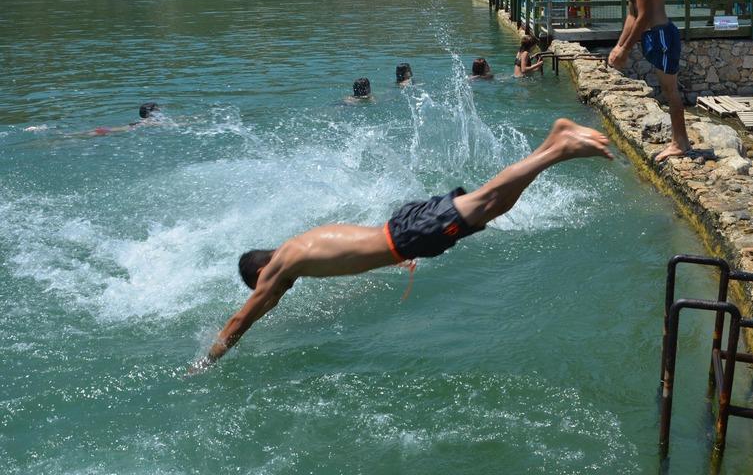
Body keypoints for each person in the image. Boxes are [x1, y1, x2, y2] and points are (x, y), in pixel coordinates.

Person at [190, 119, 613, 372]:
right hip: (405, 229)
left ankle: (560, 147)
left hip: (407, 236)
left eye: (263, 285)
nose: (276, 292)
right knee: (494, 208)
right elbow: (271, 302)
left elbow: (241, 320)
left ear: (260, 272)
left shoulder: (281, 266)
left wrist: (206, 362)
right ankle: (554, 143)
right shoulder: (294, 249)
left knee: (487, 199)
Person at [602, 0, 691, 162]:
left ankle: (680, 143)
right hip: (653, 36)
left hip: (661, 35)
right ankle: (678, 140)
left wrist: (625, 50)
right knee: (667, 88)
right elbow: (631, 16)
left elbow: (643, 18)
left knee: (670, 89)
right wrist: (618, 45)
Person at [87, 102, 162, 136]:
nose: (160, 110)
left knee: (81, 134)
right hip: (107, 131)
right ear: (152, 112)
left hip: (108, 129)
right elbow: (168, 125)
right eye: (157, 109)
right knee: (85, 136)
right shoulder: (149, 122)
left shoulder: (141, 121)